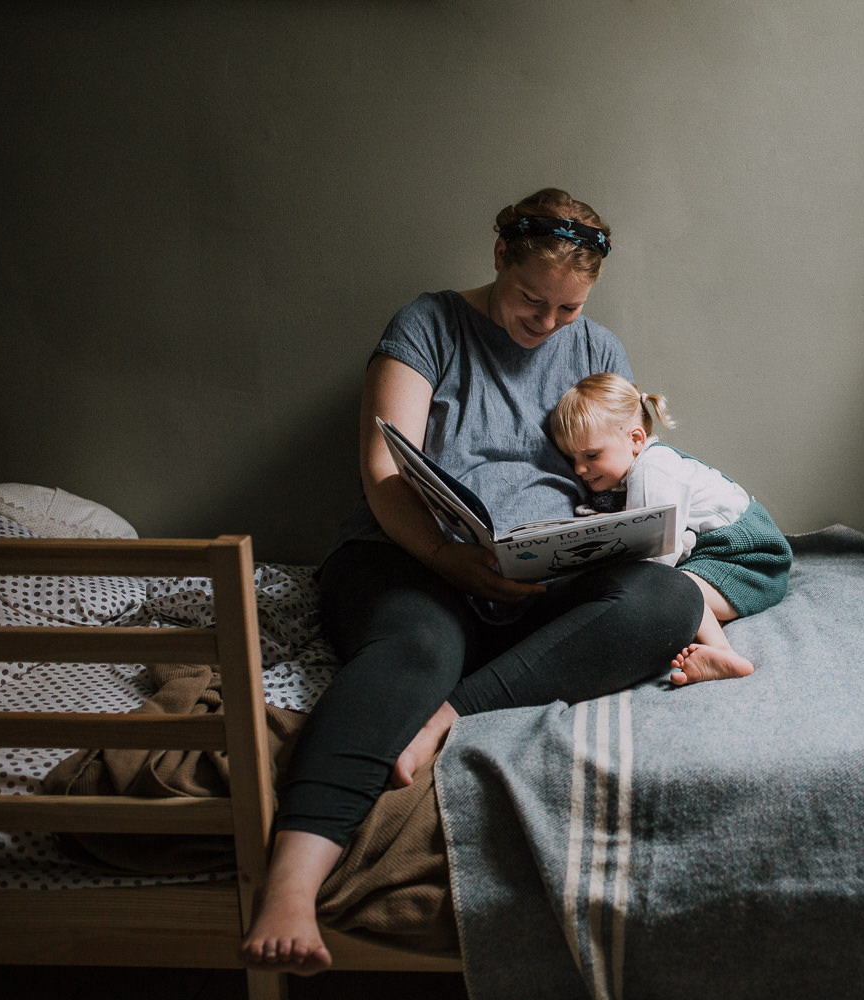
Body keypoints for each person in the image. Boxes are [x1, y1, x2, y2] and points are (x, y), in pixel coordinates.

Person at [240, 189, 703, 974]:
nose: (548, 322)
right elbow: (385, 469)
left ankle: (452, 713)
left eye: (568, 307)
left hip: (538, 574)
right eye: (533, 299)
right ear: (499, 258)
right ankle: (290, 884)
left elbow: (618, 468)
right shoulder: (427, 324)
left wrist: (603, 538)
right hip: (413, 559)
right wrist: (450, 558)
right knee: (417, 649)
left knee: (668, 601)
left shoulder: (596, 347)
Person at [549, 372, 792, 686]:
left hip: (752, 561)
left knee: (675, 589)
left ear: (635, 439)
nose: (580, 469)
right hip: (721, 556)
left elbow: (657, 554)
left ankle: (722, 653)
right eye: (572, 459)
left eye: (591, 456)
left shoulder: (652, 470)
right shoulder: (634, 470)